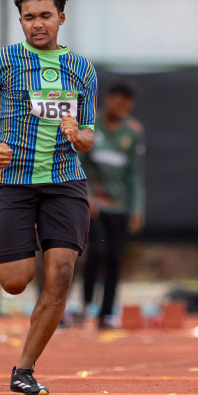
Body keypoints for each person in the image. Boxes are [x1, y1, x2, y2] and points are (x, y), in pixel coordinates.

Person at [0, 0, 98, 395]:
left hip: (65, 181)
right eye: (29, 17)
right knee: (15, 281)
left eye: (45, 16)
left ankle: (24, 368)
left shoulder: (82, 69)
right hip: (13, 181)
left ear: (61, 18)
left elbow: (88, 138)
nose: (38, 24)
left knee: (62, 272)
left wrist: (77, 134)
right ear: (20, 20)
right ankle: (24, 244)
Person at [79, 80, 146, 328]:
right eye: (118, 104)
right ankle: (86, 303)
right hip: (95, 204)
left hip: (119, 206)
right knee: (97, 252)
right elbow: (78, 163)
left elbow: (135, 174)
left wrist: (136, 209)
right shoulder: (89, 125)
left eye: (126, 106)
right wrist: (86, 194)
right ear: (108, 100)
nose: (121, 110)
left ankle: (105, 314)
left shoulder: (133, 132)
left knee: (115, 259)